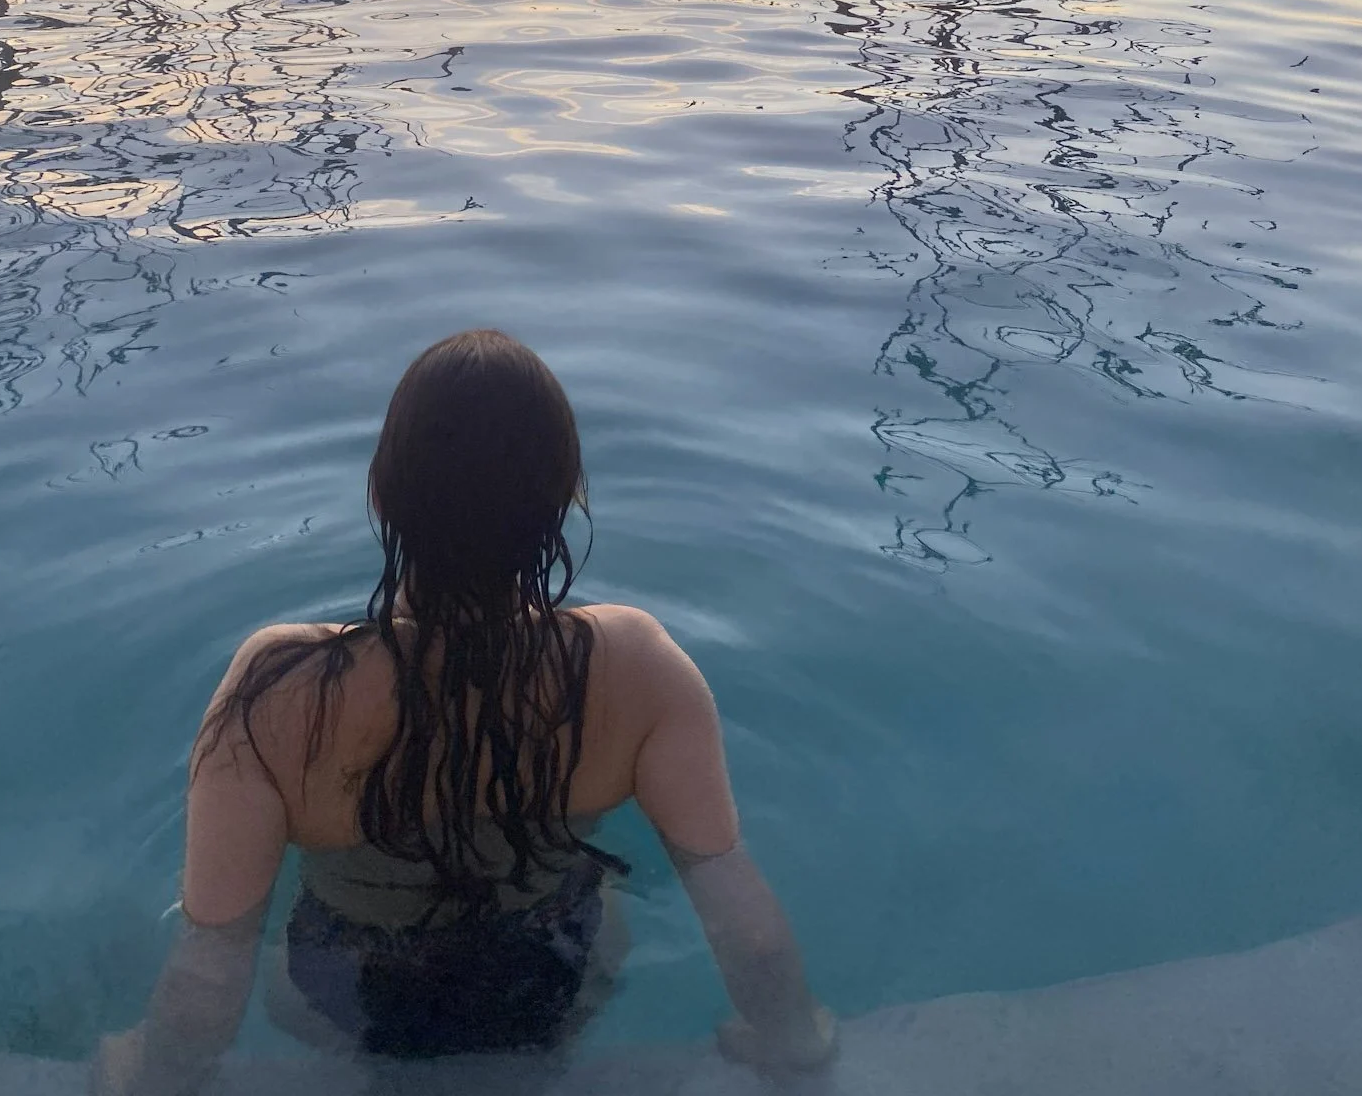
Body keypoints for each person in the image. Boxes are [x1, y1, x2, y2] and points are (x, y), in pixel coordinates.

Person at [91, 328, 836, 1093]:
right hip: (557, 976)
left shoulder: (278, 686)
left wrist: (151, 1075)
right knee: (604, 892)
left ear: (382, 495)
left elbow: (214, 960)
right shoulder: (636, 665)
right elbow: (739, 914)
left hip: (342, 994)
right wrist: (791, 1041)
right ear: (563, 497)